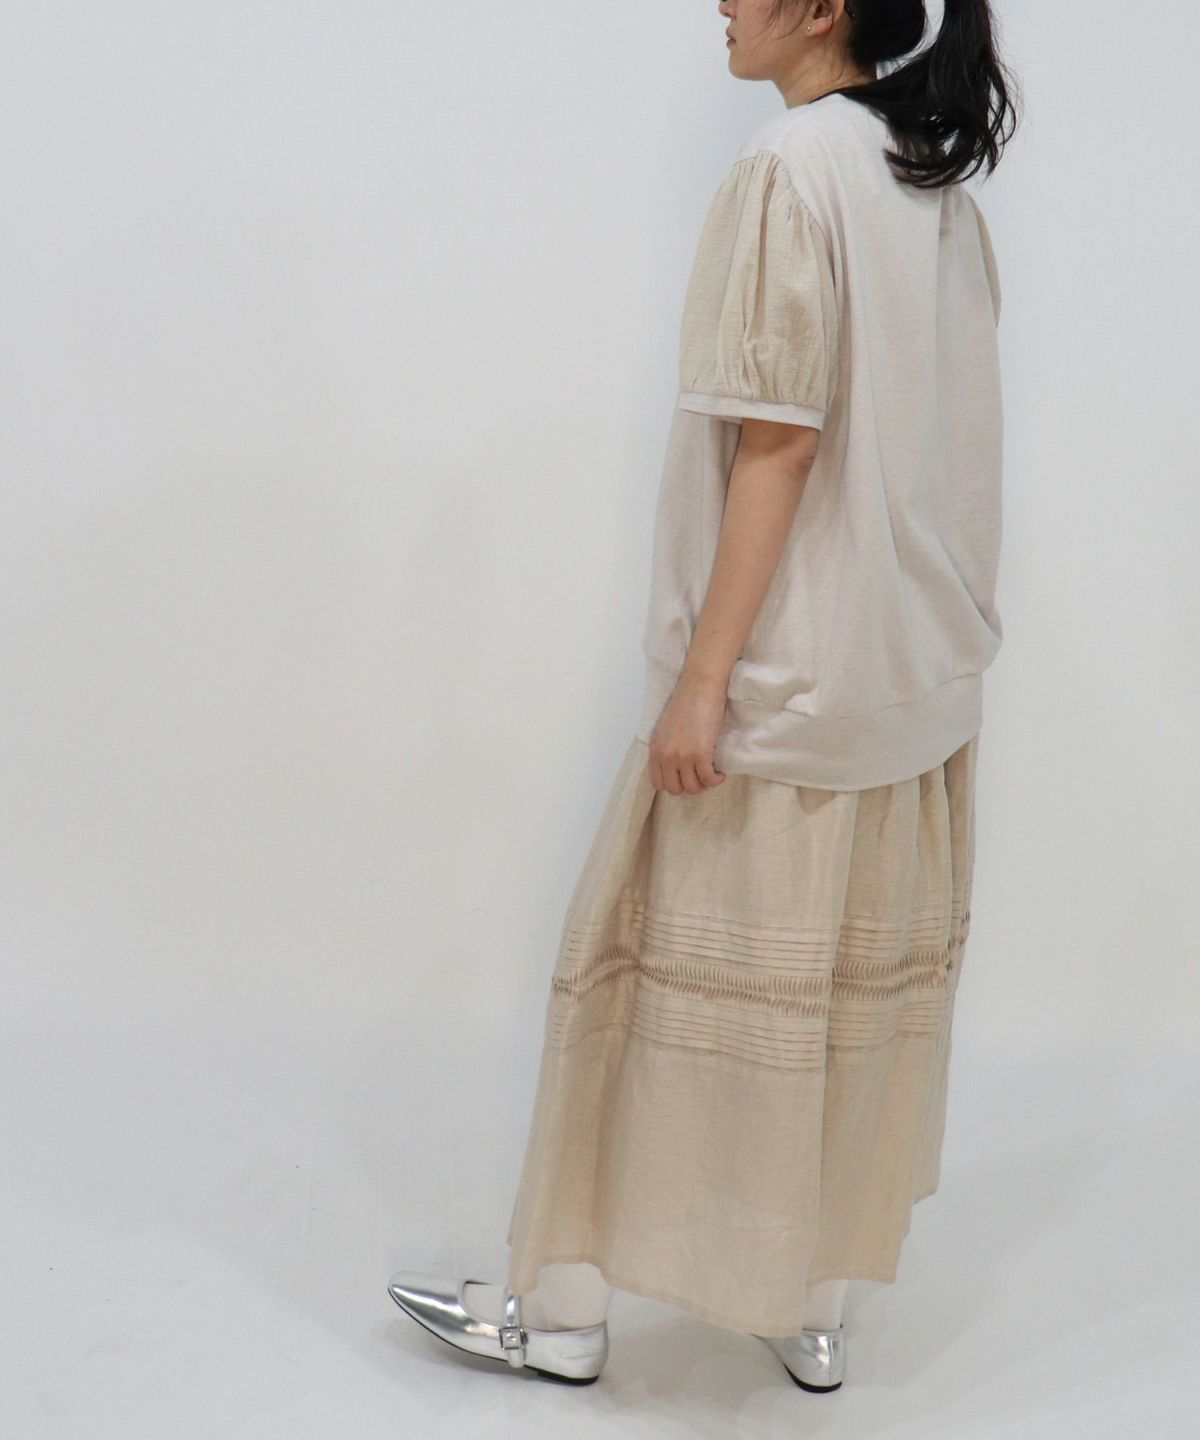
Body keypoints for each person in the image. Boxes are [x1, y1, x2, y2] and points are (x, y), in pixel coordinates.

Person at [388, 0, 1018, 1391]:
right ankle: (810, 1306)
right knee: (840, 1017)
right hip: (911, 683)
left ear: (823, 7)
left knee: (642, 1000)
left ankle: (561, 1314)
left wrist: (703, 681)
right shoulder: (929, 181)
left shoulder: (790, 171)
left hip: (785, 687)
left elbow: (776, 445)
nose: (719, 4)